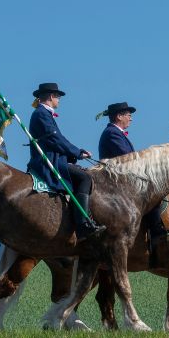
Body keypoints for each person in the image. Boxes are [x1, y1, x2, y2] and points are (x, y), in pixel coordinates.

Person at [96, 102, 169, 266]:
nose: (130, 118)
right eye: (128, 114)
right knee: (152, 196)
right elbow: (129, 159)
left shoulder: (117, 133)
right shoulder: (112, 133)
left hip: (124, 179)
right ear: (119, 116)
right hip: (117, 182)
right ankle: (156, 234)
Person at [27, 82, 105, 243]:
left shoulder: (44, 113)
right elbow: (55, 139)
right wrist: (77, 152)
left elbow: (58, 140)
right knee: (85, 178)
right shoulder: (41, 113)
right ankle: (82, 224)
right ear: (50, 96)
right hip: (48, 161)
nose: (59, 100)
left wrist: (76, 152)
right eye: (58, 96)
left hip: (55, 157)